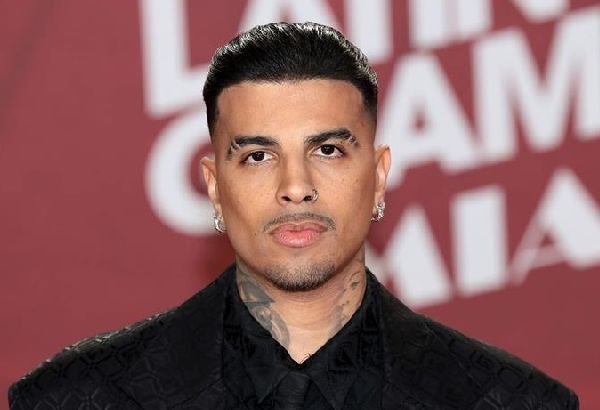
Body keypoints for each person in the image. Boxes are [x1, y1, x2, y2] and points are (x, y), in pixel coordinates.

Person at [9, 22, 577, 410]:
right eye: (258, 156)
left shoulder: (512, 401)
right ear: (213, 187)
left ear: (379, 176)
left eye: (327, 150)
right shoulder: (75, 397)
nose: (296, 187)